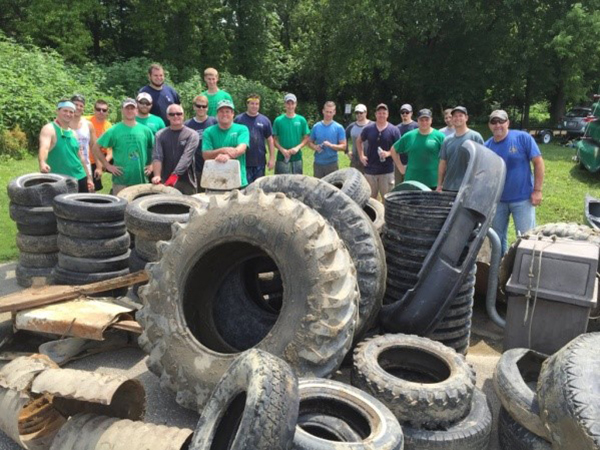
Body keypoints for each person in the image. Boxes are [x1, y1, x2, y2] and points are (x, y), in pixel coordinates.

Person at [484, 109, 545, 255]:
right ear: (489, 125)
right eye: (494, 122)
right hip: (498, 201)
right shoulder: (487, 146)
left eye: (501, 121)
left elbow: (538, 163)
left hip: (523, 199)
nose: (498, 125)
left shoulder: (522, 138)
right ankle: (498, 270)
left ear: (508, 123)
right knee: (497, 238)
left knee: (527, 237)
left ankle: (525, 271)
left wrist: (537, 190)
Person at [92, 98, 155, 195]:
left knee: (139, 207)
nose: (129, 111)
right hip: (121, 180)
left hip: (141, 179)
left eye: (132, 108)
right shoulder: (114, 130)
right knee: (121, 208)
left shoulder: (145, 130)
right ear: (122, 110)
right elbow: (96, 147)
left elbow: (157, 149)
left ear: (137, 110)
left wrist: (151, 165)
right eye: (127, 108)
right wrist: (107, 165)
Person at [38, 100, 93, 192]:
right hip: (60, 180)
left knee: (83, 205)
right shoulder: (49, 129)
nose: (68, 114)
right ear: (57, 111)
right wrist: (42, 162)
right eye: (65, 111)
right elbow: (44, 147)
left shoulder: (73, 133)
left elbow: (80, 157)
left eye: (71, 112)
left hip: (80, 177)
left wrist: (89, 178)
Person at [392, 108, 445, 189]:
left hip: (433, 182)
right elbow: (393, 149)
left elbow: (446, 158)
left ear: (431, 120)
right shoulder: (409, 136)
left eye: (427, 120)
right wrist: (400, 167)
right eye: (421, 120)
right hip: (412, 181)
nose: (424, 122)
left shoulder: (439, 136)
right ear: (417, 120)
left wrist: (441, 181)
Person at [151, 104, 199, 195]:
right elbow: (157, 156)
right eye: (172, 114)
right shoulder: (160, 135)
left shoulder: (192, 134)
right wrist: (157, 175)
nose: (176, 116)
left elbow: (186, 157)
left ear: (183, 115)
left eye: (179, 114)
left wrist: (175, 175)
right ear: (167, 116)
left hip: (187, 182)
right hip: (165, 181)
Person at [356, 103, 401, 199]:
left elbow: (399, 147)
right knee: (369, 200)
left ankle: (386, 214)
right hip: (370, 170)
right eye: (379, 113)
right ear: (375, 114)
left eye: (384, 113)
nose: (381, 115)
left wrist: (388, 153)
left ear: (387, 114)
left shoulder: (394, 130)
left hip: (387, 171)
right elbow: (358, 141)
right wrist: (361, 156)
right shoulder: (368, 129)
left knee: (388, 199)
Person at [202, 99, 250, 187]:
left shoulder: (242, 129)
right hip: (214, 182)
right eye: (221, 111)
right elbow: (206, 155)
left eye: (227, 111)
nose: (224, 114)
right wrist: (224, 150)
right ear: (217, 114)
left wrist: (226, 156)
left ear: (233, 114)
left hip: (238, 181)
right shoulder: (208, 132)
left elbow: (242, 148)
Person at [436, 106, 484, 191]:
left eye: (460, 115)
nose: (457, 118)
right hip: (448, 187)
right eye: (455, 116)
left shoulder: (475, 137)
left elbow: (483, 164)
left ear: (466, 118)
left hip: (468, 189)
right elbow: (442, 163)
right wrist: (439, 184)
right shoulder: (447, 140)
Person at [234, 93, 275, 183]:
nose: (254, 106)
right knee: (245, 189)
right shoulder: (239, 119)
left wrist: (272, 158)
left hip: (259, 161)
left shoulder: (265, 120)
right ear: (247, 104)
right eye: (252, 103)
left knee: (259, 188)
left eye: (257, 104)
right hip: (243, 161)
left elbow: (270, 140)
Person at [184, 95, 217, 191]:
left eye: (204, 106)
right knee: (198, 193)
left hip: (213, 164)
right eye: (198, 106)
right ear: (194, 107)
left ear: (207, 108)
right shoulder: (187, 124)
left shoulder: (214, 122)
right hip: (196, 165)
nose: (201, 108)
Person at [272, 93, 310, 174]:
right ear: (285, 104)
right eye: (288, 103)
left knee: (297, 183)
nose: (290, 106)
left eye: (292, 103)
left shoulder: (301, 120)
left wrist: (297, 148)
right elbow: (274, 140)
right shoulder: (278, 120)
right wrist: (282, 150)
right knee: (281, 183)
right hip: (282, 158)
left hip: (297, 157)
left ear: (296, 104)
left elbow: (306, 138)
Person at [309, 101, 346, 178]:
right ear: (323, 111)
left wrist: (331, 145)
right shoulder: (316, 126)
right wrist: (315, 147)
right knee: (317, 188)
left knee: (332, 187)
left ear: (334, 112)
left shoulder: (339, 127)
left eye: (330, 112)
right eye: (327, 112)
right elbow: (310, 142)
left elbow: (343, 146)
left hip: (332, 163)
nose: (328, 114)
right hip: (318, 163)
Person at [85, 99, 112, 191]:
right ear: (94, 110)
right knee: (90, 186)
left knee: (123, 165)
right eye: (98, 109)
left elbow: (110, 150)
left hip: (101, 156)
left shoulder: (108, 126)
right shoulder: (85, 120)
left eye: (104, 110)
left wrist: (105, 163)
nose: (101, 112)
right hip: (87, 156)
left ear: (107, 112)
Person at [70, 94, 97, 181]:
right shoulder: (62, 124)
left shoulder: (88, 125)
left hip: (85, 166)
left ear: (83, 108)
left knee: (88, 193)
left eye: (81, 106)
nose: (78, 107)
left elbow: (94, 147)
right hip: (67, 166)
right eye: (75, 104)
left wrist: (99, 167)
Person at [395, 103, 419, 184]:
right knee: (398, 186)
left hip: (413, 162)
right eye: (402, 112)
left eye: (407, 112)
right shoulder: (396, 128)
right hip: (399, 162)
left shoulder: (417, 126)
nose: (405, 114)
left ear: (411, 113)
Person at [345, 104, 371, 173]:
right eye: (357, 113)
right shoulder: (351, 126)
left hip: (369, 159)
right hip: (355, 160)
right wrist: (347, 151)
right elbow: (344, 138)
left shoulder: (372, 125)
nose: (359, 114)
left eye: (361, 113)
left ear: (366, 113)